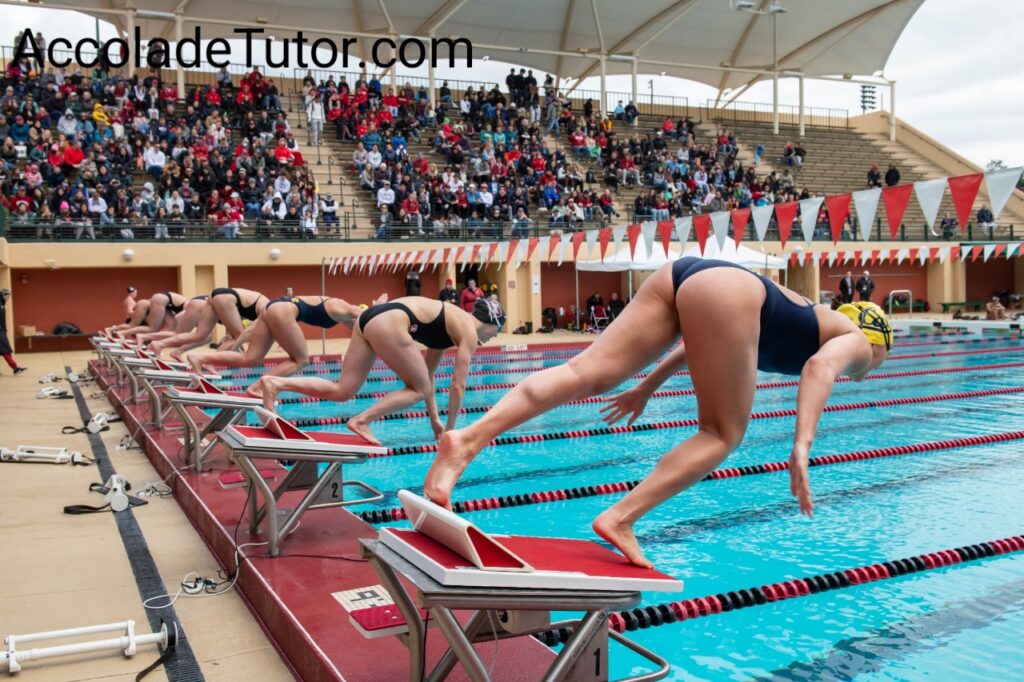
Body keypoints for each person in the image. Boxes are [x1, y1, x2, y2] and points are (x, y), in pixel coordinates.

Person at [423, 258, 893, 567]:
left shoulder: (818, 319)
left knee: (586, 371)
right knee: (722, 435)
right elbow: (819, 368)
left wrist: (645, 387)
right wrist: (802, 445)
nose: (872, 367)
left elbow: (700, 342)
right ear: (880, 342)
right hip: (730, 292)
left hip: (687, 274)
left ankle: (465, 441)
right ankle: (621, 517)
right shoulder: (857, 342)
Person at [257, 297, 506, 444]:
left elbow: (427, 375)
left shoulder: (452, 325)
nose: (495, 336)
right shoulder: (468, 332)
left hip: (369, 317)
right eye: (497, 330)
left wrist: (435, 420)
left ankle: (275, 383)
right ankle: (361, 421)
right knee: (418, 390)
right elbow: (457, 386)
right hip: (390, 320)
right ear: (492, 323)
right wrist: (451, 431)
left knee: (342, 390)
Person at [190, 294, 386, 389]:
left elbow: (249, 330)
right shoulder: (346, 308)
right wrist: (378, 308)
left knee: (251, 358)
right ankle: (257, 388)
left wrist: (236, 344)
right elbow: (368, 316)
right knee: (301, 360)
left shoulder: (344, 315)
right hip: (283, 310)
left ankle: (200, 359)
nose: (355, 330)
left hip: (273, 307)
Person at [149, 288, 268, 359]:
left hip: (215, 296)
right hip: (224, 297)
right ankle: (209, 363)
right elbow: (244, 334)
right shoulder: (267, 311)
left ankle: (159, 344)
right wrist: (238, 349)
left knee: (200, 335)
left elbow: (234, 327)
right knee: (238, 337)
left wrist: (231, 339)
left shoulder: (260, 311)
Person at [0, 289, 27, 374]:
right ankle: (15, 368)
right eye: (8, 296)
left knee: (4, 349)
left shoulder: (1, 304)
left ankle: (15, 368)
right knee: (5, 349)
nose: (9, 298)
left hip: (1, 330)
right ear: (4, 295)